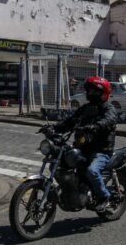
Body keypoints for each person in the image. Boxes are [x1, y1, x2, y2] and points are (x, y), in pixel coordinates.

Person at [46, 76, 118, 213]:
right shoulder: (85, 108)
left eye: (95, 92)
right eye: (89, 91)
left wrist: (95, 126)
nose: (91, 94)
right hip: (83, 148)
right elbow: (69, 122)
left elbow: (109, 120)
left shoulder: (109, 108)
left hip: (101, 150)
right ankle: (72, 191)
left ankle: (104, 197)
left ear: (104, 94)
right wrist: (53, 128)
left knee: (92, 171)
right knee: (61, 163)